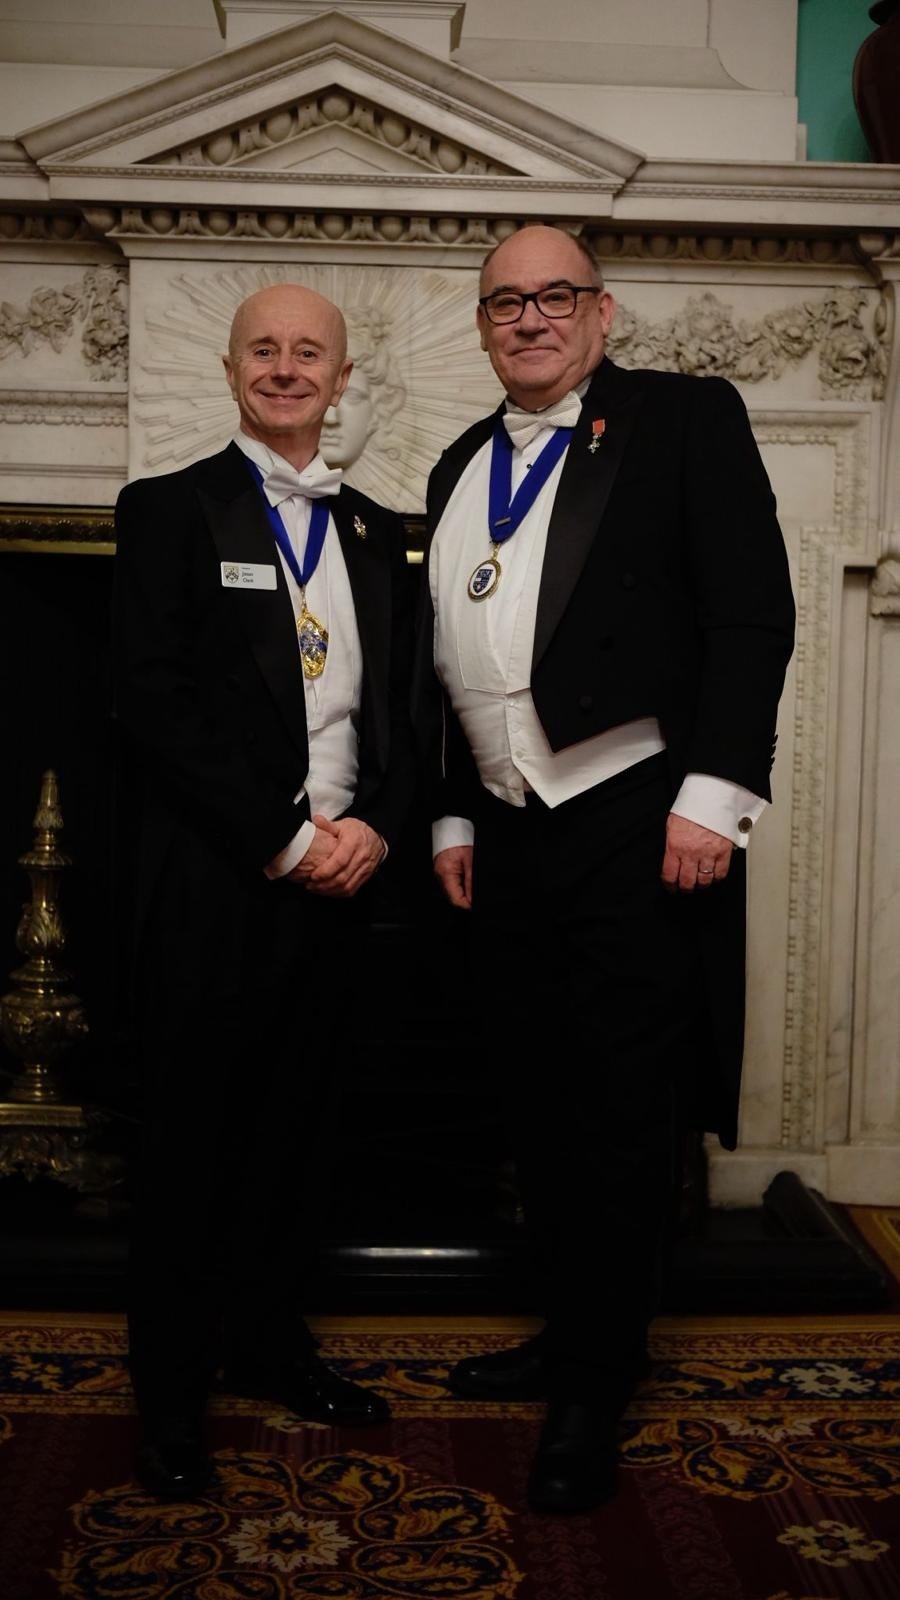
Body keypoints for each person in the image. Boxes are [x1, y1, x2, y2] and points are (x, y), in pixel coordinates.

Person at [413, 225, 795, 1515]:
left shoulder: (685, 419)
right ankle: (569, 1328)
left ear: (602, 311)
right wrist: (454, 815)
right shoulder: (460, 462)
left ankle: (596, 1380)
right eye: (505, 302)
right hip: (508, 831)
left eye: (554, 296)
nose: (530, 318)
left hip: (640, 818)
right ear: (481, 325)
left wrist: (715, 796)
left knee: (622, 1111)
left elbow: (752, 614)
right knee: (534, 1099)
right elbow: (447, 663)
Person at [113, 282, 415, 1499]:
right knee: (190, 1146)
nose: (287, 369)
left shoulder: (375, 531)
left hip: (343, 886)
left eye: (309, 353)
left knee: (300, 1139)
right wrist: (284, 839)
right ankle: (171, 1398)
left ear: (342, 380)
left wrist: (376, 826)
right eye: (264, 350)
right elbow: (152, 704)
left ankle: (275, 1346)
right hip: (219, 882)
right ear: (232, 369)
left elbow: (407, 710)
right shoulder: (169, 510)